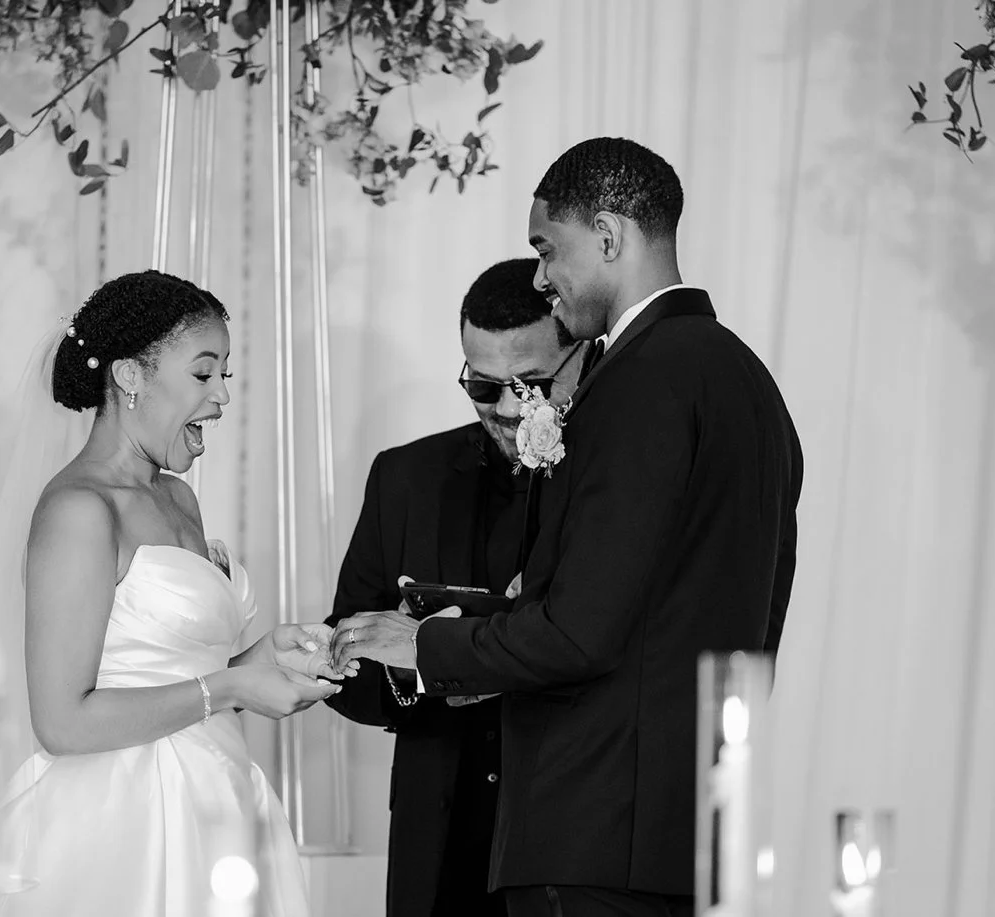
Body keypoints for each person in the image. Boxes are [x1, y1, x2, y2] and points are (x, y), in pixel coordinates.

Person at [332, 138, 803, 917]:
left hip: (593, 825)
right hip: (691, 827)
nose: (542, 278)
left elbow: (583, 632)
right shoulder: (747, 379)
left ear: (610, 236)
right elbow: (706, 609)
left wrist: (418, 642)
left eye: (548, 250)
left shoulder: (638, 382)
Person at [0, 271, 352, 917]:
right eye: (203, 374)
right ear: (130, 376)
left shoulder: (176, 495)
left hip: (215, 796)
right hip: (118, 819)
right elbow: (63, 722)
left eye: (225, 375)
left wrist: (256, 661)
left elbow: (164, 675)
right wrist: (233, 689)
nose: (220, 397)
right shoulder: (80, 510)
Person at [324, 259, 592, 917]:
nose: (504, 407)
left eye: (529, 384)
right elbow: (347, 655)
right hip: (438, 845)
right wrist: (416, 664)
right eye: (481, 383)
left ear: (581, 356)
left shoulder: (612, 477)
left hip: (575, 846)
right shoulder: (404, 476)